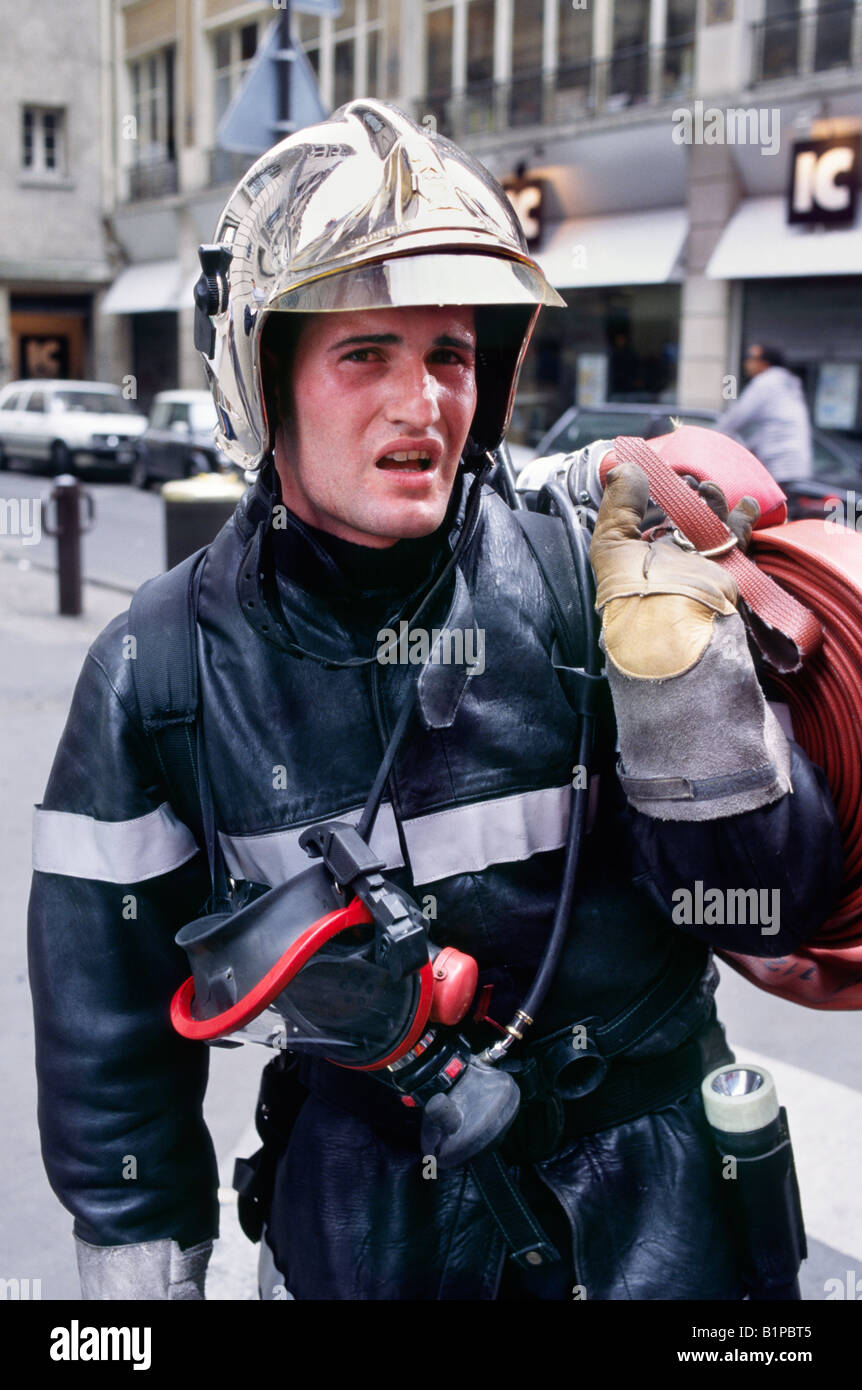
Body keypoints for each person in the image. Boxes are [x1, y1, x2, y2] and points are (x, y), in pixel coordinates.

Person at [29, 101, 840, 1302]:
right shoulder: (158, 669)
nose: (425, 402)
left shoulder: (596, 578)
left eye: (451, 354)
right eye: (367, 354)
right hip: (362, 1236)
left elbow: (773, 905)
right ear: (267, 379)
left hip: (656, 1230)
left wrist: (686, 691)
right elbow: (111, 1061)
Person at [718, 344, 813, 486]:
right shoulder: (787, 381)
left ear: (764, 363)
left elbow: (737, 417)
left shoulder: (766, 382)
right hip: (797, 464)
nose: (746, 363)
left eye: (750, 358)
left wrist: (711, 436)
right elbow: (772, 424)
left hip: (779, 465)